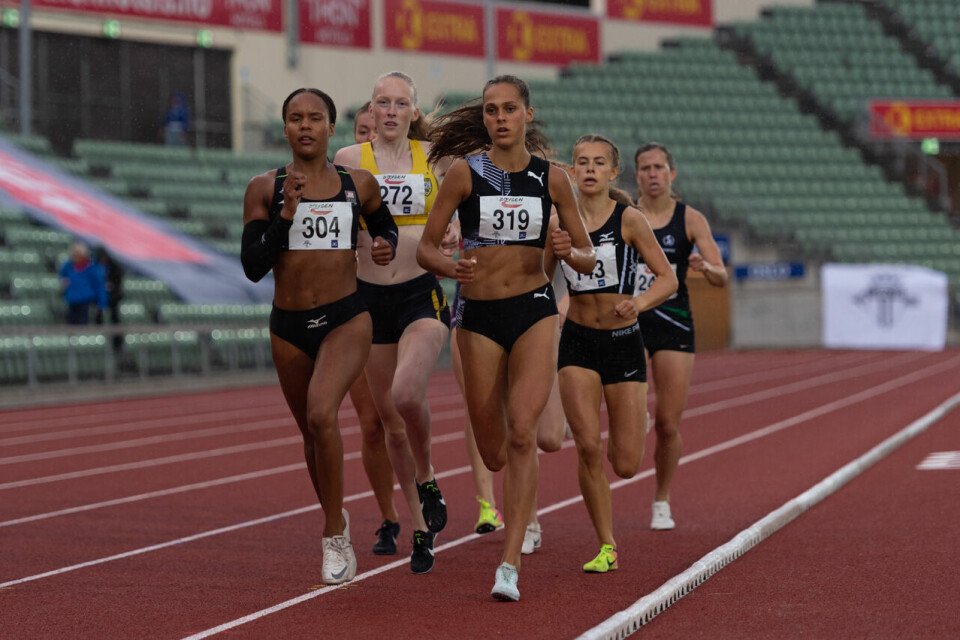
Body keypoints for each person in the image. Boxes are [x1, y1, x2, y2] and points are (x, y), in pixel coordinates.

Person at [417, 74, 595, 601]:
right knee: (494, 451)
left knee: (524, 435)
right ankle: (506, 527)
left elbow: (587, 255)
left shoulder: (553, 179)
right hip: (476, 317)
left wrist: (567, 249)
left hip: (534, 310)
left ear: (527, 116)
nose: (499, 118)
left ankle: (510, 563)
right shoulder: (463, 175)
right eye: (492, 110)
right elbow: (427, 249)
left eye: (509, 109)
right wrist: (451, 266)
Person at [240, 87, 399, 585]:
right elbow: (251, 267)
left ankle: (334, 536)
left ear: (332, 128)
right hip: (288, 326)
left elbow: (387, 229)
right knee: (311, 433)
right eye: (295, 118)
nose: (305, 126)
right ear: (285, 129)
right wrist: (285, 218)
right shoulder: (264, 189)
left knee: (320, 411)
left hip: (346, 318)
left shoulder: (360, 185)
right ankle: (338, 515)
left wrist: (384, 246)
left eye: (315, 118)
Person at [334, 71, 456, 574]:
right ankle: (421, 530)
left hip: (418, 295)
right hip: (368, 300)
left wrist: (452, 234)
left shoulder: (436, 158)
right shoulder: (348, 161)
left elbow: (458, 214)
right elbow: (337, 228)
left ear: (413, 110)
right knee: (391, 427)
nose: (389, 111)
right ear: (371, 108)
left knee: (407, 395)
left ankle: (428, 475)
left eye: (399, 103)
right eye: (381, 103)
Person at [556, 134, 677, 573]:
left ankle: (634, 422)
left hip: (623, 341)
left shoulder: (629, 219)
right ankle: (606, 545)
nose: (589, 169)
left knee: (625, 464)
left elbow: (668, 279)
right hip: (577, 343)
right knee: (587, 447)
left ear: (612, 172)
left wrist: (639, 303)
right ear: (570, 172)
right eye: (581, 162)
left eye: (598, 162)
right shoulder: (559, 221)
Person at [633, 142, 728, 530]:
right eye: (645, 168)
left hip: (674, 323)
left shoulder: (690, 219)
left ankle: (661, 499)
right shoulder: (626, 213)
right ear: (636, 175)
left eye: (659, 167)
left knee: (668, 424)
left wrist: (705, 267)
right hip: (631, 320)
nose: (652, 174)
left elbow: (721, 277)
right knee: (633, 410)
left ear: (672, 174)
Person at [345, 102, 400, 556]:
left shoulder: (407, 176)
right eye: (360, 133)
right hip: (354, 306)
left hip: (408, 302)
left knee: (404, 412)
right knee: (370, 424)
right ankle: (389, 517)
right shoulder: (338, 183)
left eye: (372, 133)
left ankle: (424, 488)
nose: (367, 140)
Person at [59, 241, 107, 325]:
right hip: (71, 299)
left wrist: (101, 303)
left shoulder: (92, 268)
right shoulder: (68, 266)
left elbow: (99, 286)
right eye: (74, 254)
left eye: (78, 254)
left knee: (83, 324)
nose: (76, 256)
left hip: (86, 301)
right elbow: (63, 278)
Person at [94, 247, 124, 350]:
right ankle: (99, 345)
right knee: (98, 320)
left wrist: (112, 287)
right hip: (98, 300)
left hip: (112, 299)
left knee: (115, 319)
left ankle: (118, 345)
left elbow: (118, 282)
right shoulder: (94, 267)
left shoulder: (114, 267)